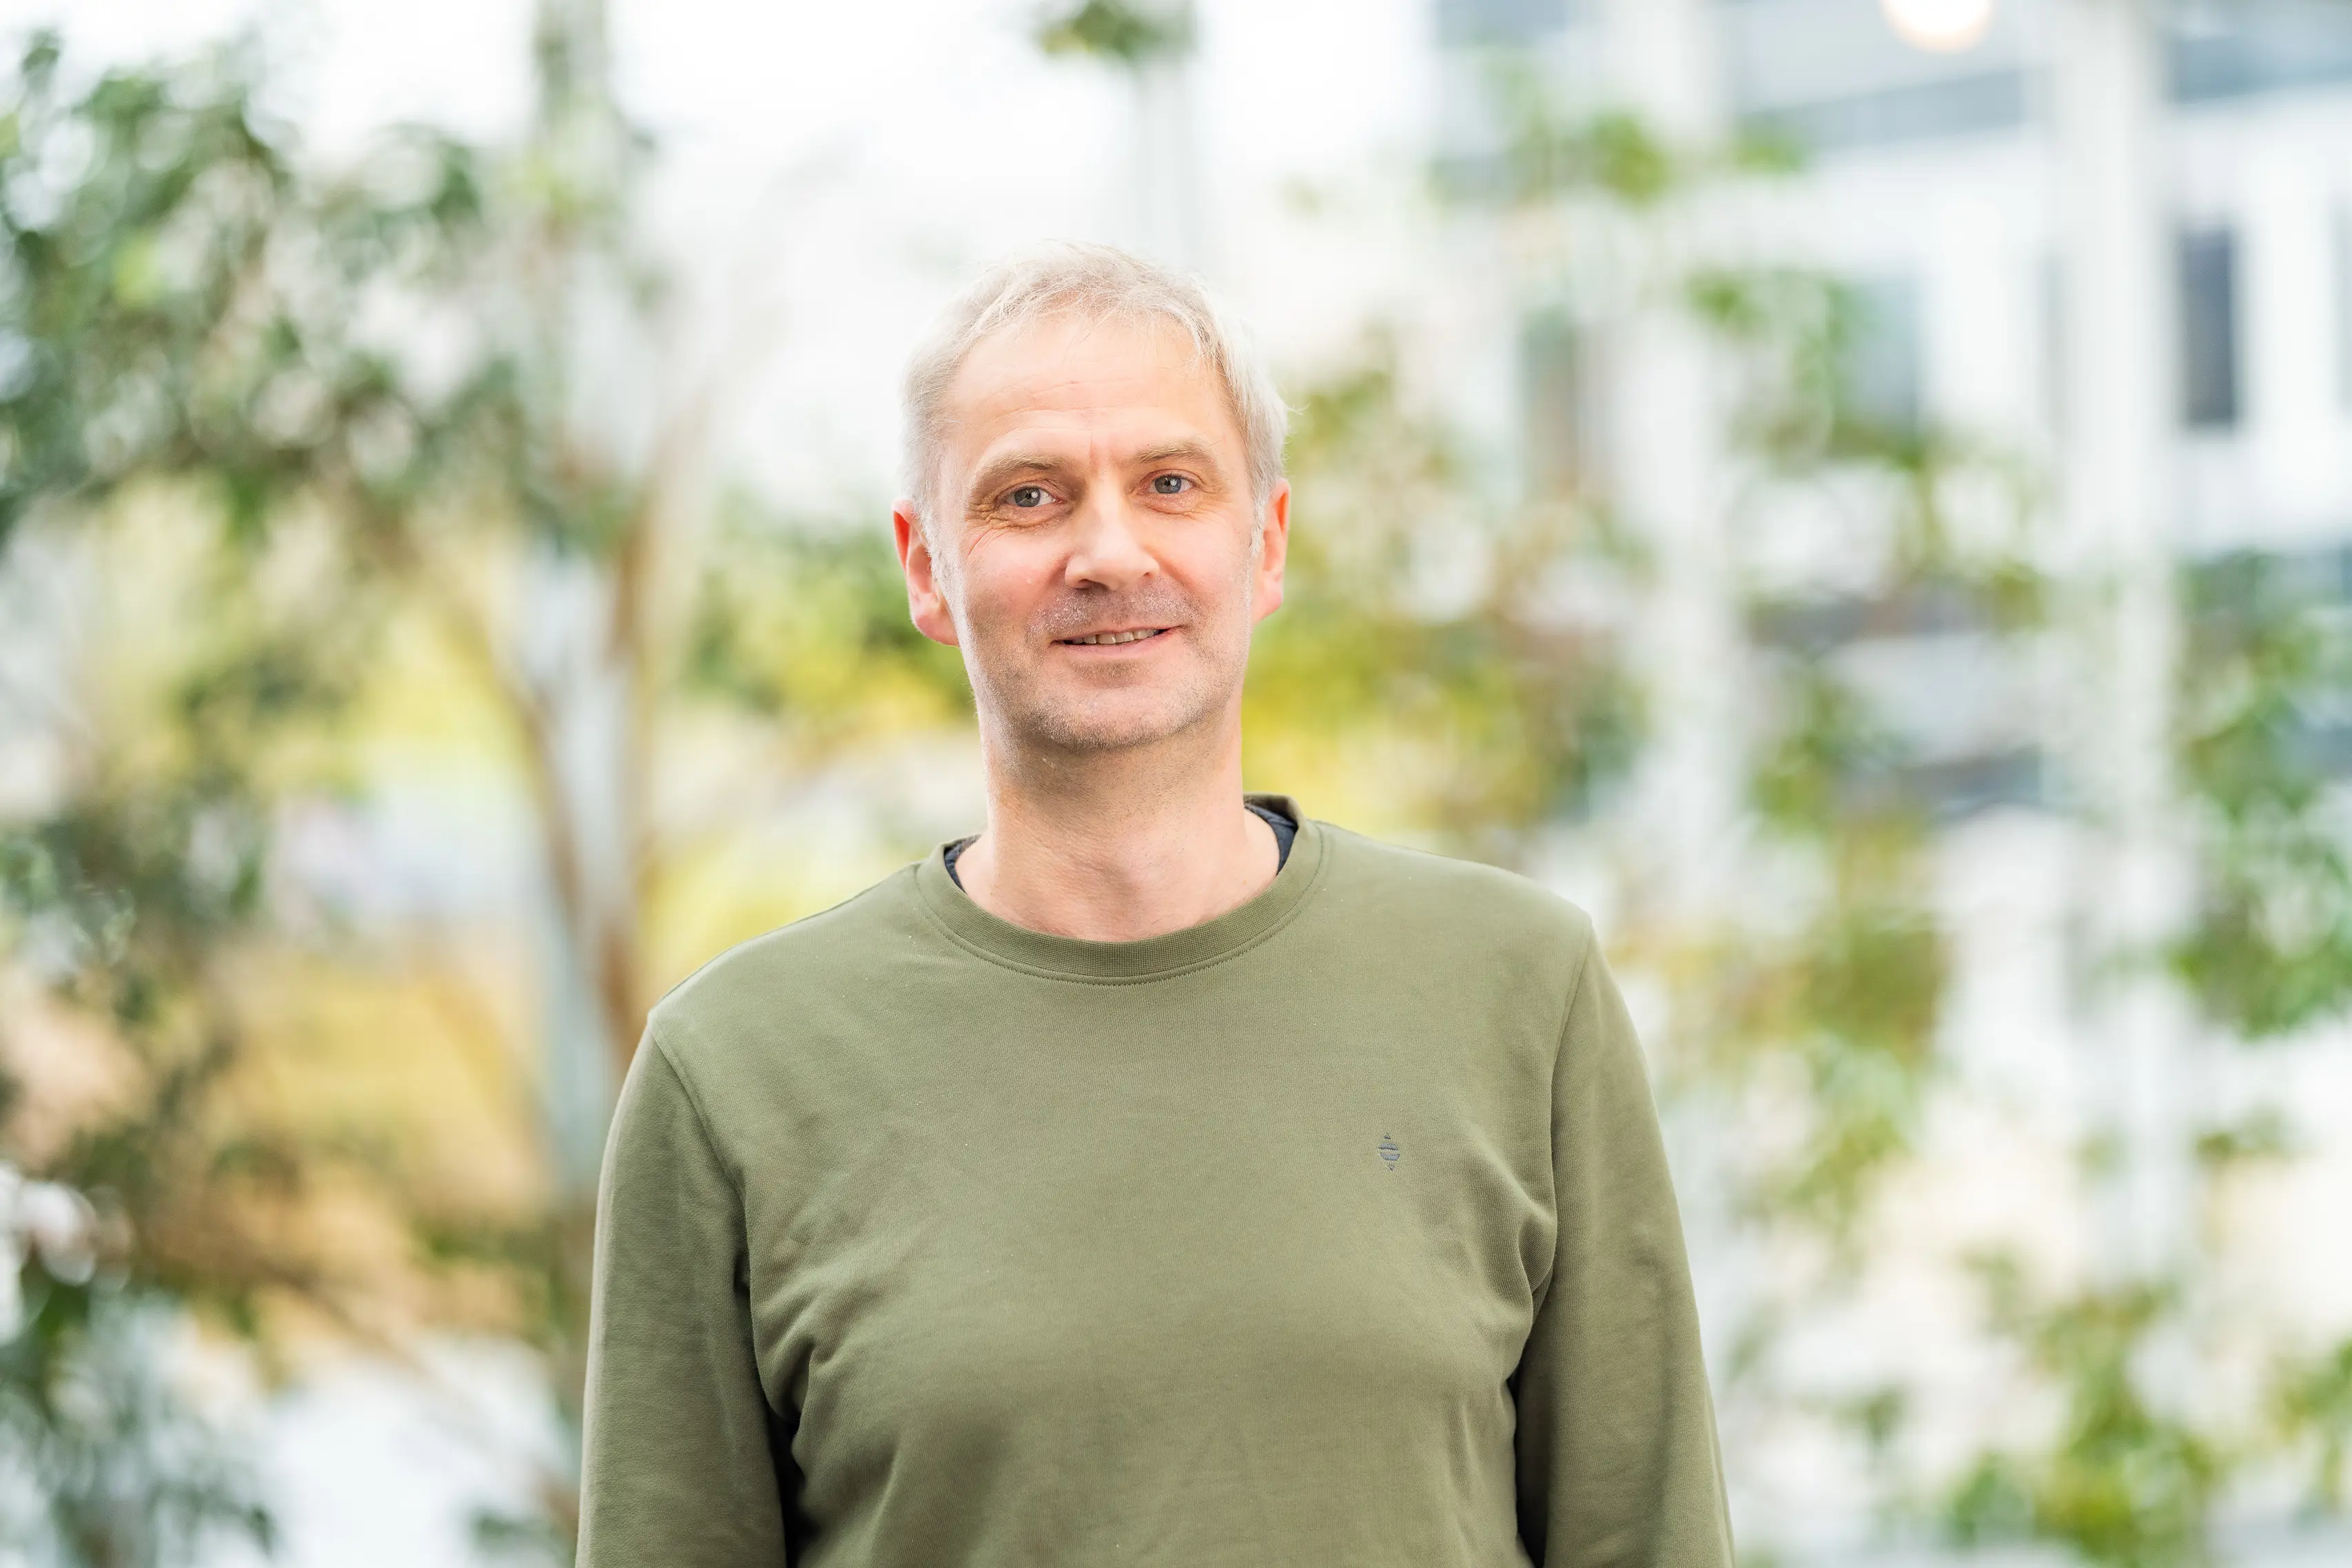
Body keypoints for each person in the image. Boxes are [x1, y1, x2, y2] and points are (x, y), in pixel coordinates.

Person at [577, 240, 1734, 1567]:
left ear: (1269, 543)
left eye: (1171, 483)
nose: (1107, 551)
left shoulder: (1523, 991)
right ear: (924, 568)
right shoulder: (734, 1070)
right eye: (1028, 496)